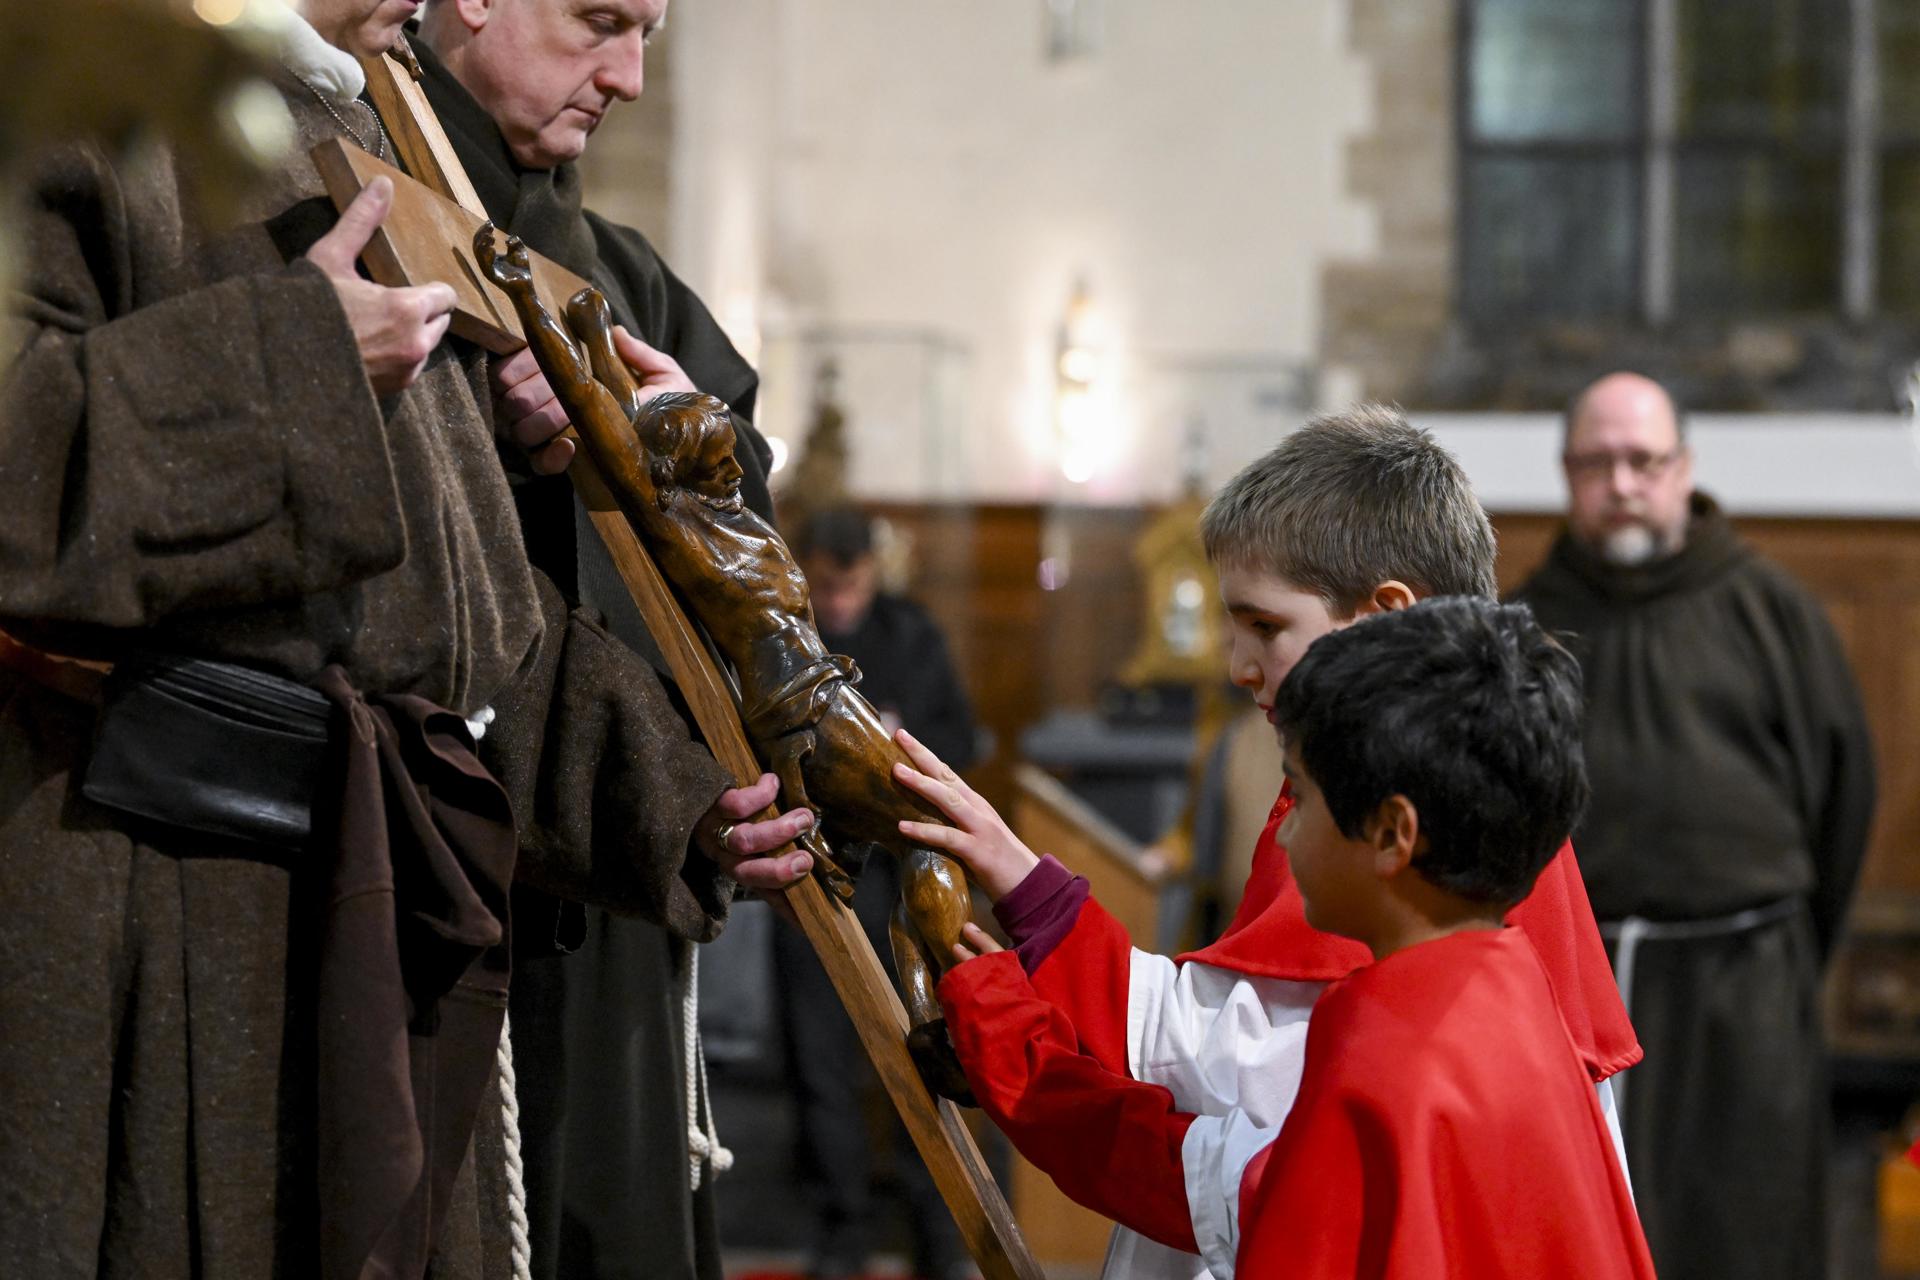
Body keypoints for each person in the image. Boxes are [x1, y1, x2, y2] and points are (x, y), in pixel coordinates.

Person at [0, 1, 805, 1274]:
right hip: (147, 915)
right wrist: (296, 358)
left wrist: (677, 797)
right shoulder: (67, 76)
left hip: (365, 932)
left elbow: (456, 608)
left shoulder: (375, 132)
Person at [885, 406, 1639, 1279]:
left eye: (1265, 626)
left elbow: (1241, 1163)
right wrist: (1030, 889)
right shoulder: (1482, 930)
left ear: (1383, 614)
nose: (1237, 664)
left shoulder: (1400, 1014)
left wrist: (1025, 1056)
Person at [1514, 370, 1877, 1280]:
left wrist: (1783, 942)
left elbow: (1846, 795)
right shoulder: (1520, 626)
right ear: (1565, 473)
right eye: (1597, 462)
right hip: (1566, 989)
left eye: (1643, 459)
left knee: (1739, 1233)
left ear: (1684, 468)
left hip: (1741, 987)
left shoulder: (1771, 610)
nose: (1622, 483)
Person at [1238, 596, 1653, 1275]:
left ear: (1393, 834)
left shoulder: (1383, 1052)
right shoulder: (1523, 995)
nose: (1285, 831)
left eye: (1301, 796)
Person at [772, 507, 978, 1280]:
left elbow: (960, 738)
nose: (840, 599)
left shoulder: (912, 634)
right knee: (819, 1061)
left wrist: (898, 751)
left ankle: (938, 1232)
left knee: (926, 1045)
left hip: (904, 874)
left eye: (851, 584)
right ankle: (841, 1234)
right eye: (828, 584)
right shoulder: (791, 631)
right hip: (819, 871)